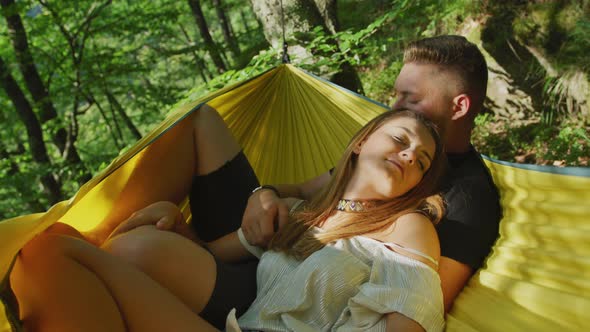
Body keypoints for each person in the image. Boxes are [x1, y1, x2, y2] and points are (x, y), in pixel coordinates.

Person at [12, 109, 447, 332]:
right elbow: (205, 257)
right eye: (400, 138)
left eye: (421, 160)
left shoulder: (408, 226)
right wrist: (173, 223)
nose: (410, 154)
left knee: (57, 255)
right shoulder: (301, 215)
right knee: (44, 253)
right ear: (361, 141)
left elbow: (409, 322)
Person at [242, 35, 502, 312]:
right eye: (397, 94)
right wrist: (263, 194)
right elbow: (305, 190)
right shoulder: (387, 152)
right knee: (205, 122)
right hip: (275, 266)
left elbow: (425, 307)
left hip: (310, 306)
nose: (394, 107)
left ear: (459, 107)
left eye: (410, 99)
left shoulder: (468, 200)